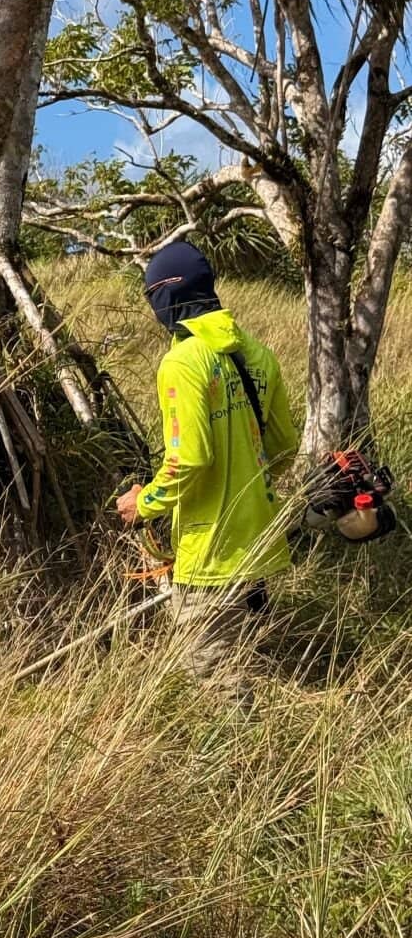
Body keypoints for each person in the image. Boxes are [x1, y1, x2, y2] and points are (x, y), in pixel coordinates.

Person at [116, 241, 299, 696]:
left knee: (215, 684)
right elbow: (283, 446)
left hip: (209, 555)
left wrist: (145, 503)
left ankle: (246, 766)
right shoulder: (258, 353)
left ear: (165, 297)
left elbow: (188, 460)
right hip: (257, 545)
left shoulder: (182, 362)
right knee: (247, 668)